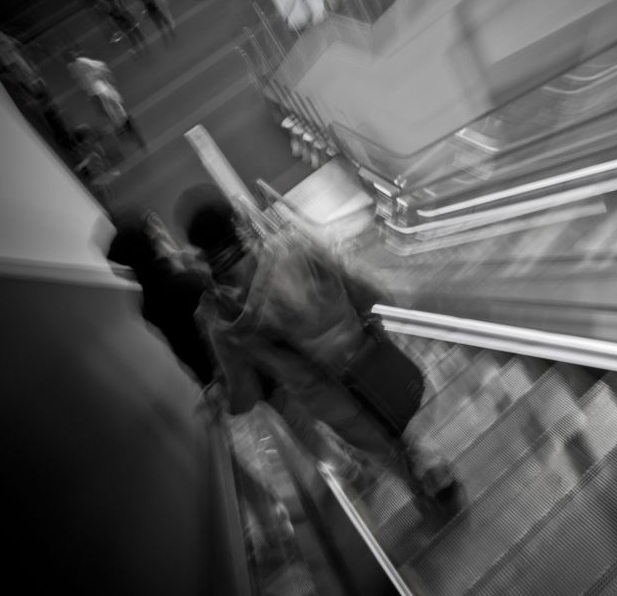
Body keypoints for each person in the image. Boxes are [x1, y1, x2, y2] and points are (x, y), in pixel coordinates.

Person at [174, 185, 461, 521]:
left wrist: (225, 398)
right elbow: (369, 290)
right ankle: (439, 477)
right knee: (408, 427)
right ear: (237, 219)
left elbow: (246, 396)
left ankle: (428, 499)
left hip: (330, 403)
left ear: (198, 250)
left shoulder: (219, 320)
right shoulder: (293, 248)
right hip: (373, 361)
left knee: (389, 455)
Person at [104, 207, 218, 387]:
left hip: (212, 382)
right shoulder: (189, 284)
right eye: (153, 228)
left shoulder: (149, 301)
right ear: (150, 242)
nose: (160, 229)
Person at [66, 50, 146, 150]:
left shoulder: (83, 63)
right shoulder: (73, 67)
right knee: (108, 111)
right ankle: (123, 126)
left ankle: (124, 126)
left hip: (99, 90)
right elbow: (84, 78)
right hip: (95, 92)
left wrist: (105, 77)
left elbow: (99, 66)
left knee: (112, 110)